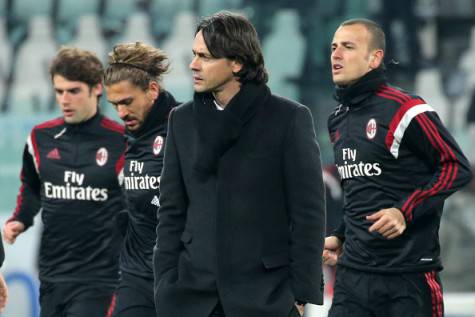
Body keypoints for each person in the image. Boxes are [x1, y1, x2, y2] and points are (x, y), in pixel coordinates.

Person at [155, 11, 326, 317]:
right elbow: (171, 212)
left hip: (266, 297)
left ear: (236, 63)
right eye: (194, 55)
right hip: (191, 298)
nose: (193, 64)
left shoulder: (288, 119)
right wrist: (165, 285)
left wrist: (301, 295)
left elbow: (308, 214)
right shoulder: (180, 120)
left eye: (205, 57)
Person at [324, 18, 473, 317]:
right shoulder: (337, 120)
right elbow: (360, 190)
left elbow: (456, 165)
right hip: (353, 278)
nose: (336, 55)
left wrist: (403, 210)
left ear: (374, 58)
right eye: (333, 47)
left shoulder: (407, 109)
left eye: (348, 47)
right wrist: (341, 235)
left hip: (408, 278)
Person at [3, 47, 126, 317]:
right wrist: (20, 220)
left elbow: (136, 208)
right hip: (52, 274)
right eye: (59, 92)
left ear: (97, 89)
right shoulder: (40, 138)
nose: (64, 99)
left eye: (73, 91)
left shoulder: (121, 142)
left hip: (100, 279)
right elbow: (32, 189)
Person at [103, 42, 179, 316]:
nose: (121, 113)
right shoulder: (125, 139)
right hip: (135, 276)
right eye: (114, 105)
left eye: (127, 102)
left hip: (180, 277)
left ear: (152, 90)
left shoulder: (185, 129)